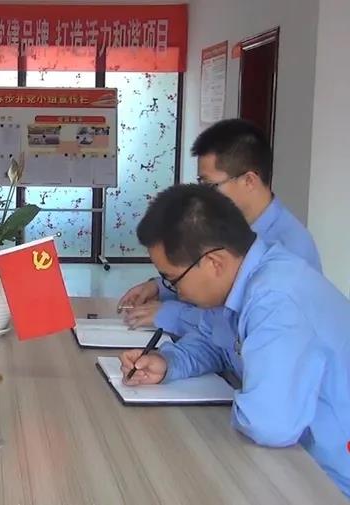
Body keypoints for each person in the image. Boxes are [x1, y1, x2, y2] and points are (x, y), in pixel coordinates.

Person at [119, 184, 349, 497]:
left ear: (214, 263)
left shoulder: (275, 297)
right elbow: (217, 342)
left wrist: (241, 400)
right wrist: (168, 362)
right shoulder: (248, 277)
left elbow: (268, 423)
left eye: (172, 279)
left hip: (330, 479)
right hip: (293, 460)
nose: (175, 292)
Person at [119, 119, 321, 335]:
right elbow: (211, 276)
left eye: (210, 185)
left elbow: (232, 325)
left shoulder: (290, 248)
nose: (203, 194)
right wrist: (161, 287)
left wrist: (171, 314)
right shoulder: (231, 226)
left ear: (249, 181)